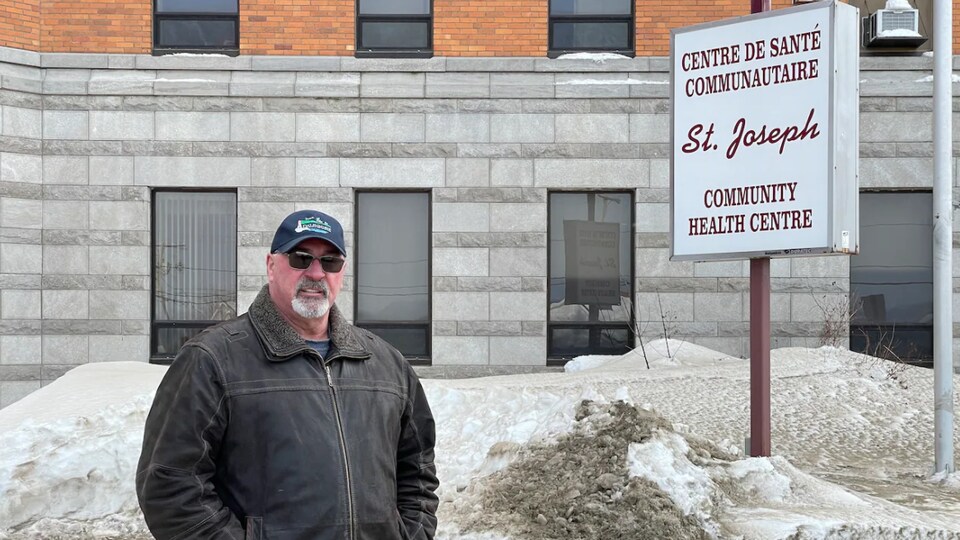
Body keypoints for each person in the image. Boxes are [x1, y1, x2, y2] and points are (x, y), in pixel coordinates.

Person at [136, 209, 439, 540]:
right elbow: (170, 484)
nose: (316, 272)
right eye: (300, 258)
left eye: (330, 262)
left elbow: (418, 471)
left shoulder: (387, 364)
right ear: (271, 265)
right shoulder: (212, 359)